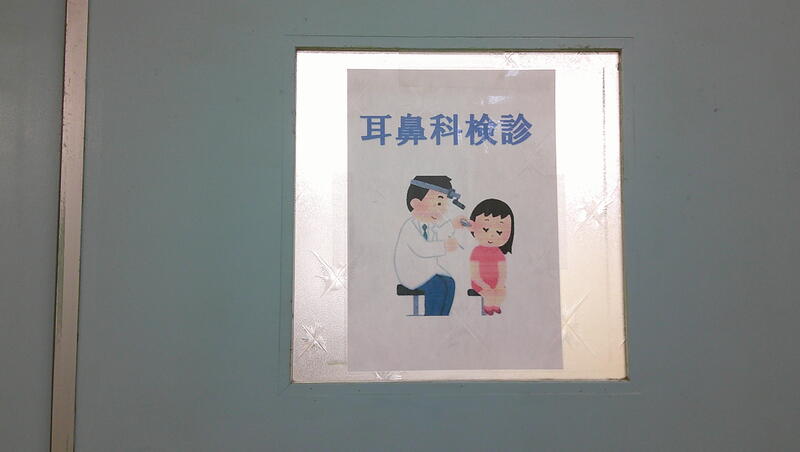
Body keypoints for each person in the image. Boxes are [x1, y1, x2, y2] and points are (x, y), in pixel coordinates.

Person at [393, 176, 469, 316]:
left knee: (449, 283)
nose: (443, 210)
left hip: (427, 272)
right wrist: (444, 246)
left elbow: (439, 233)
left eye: (444, 205)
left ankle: (442, 316)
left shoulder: (428, 225)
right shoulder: (410, 227)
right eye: (439, 204)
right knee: (438, 287)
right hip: (412, 274)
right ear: (416, 203)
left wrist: (453, 224)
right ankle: (433, 317)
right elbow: (421, 248)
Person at [468, 199, 514, 315]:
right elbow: (475, 275)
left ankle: (495, 306)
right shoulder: (476, 252)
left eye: (499, 232)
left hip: (496, 283)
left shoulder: (499, 253)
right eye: (486, 229)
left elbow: (502, 273)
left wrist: (499, 285)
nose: (492, 235)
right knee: (488, 294)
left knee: (502, 292)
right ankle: (488, 308)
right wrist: (485, 286)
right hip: (479, 283)